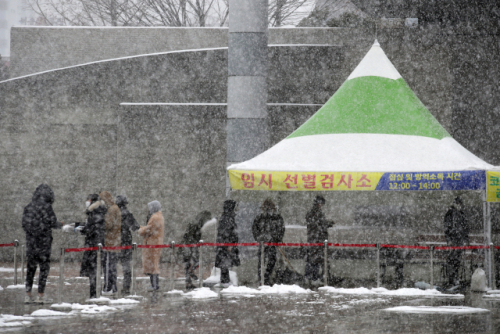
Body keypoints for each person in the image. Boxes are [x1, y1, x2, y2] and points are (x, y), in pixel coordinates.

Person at [22, 184, 63, 304]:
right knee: (44, 268)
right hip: (44, 243)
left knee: (31, 268)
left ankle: (27, 295)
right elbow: (52, 222)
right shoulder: (47, 207)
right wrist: (59, 224)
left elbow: (24, 224)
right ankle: (40, 295)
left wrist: (33, 233)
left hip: (31, 243)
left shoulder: (28, 207)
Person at [78, 194, 106, 299]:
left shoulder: (95, 213)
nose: (87, 201)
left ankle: (94, 294)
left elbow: (93, 228)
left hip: (94, 245)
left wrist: (82, 230)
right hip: (95, 244)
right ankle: (95, 292)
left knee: (94, 270)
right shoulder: (98, 212)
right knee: (95, 270)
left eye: (88, 200)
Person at [252, 199, 285, 286]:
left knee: (272, 260)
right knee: (261, 261)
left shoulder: (277, 217)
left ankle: (266, 277)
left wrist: (277, 239)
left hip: (272, 243)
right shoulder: (260, 218)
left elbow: (281, 229)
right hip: (263, 243)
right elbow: (255, 229)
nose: (268, 209)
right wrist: (260, 238)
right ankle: (261, 279)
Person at [305, 195, 334, 286]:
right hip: (316, 240)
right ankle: (314, 278)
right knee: (315, 260)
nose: (321, 205)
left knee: (314, 260)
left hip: (315, 239)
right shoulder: (315, 213)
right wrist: (328, 224)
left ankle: (312, 278)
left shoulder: (314, 213)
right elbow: (318, 225)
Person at [115, 195, 140, 295]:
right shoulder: (128, 214)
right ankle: (126, 287)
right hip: (126, 243)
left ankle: (110, 286)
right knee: (126, 267)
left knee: (112, 266)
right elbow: (135, 227)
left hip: (115, 242)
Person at [181, 211, 212, 290]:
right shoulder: (196, 224)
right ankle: (190, 275)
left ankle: (188, 282)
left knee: (188, 264)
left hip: (188, 245)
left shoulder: (197, 223)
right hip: (189, 246)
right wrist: (195, 245)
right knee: (196, 262)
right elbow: (190, 237)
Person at [138, 200, 165, 291]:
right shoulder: (159, 216)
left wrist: (140, 230)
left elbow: (149, 229)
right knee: (154, 264)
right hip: (155, 243)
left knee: (153, 265)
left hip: (152, 244)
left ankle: (154, 285)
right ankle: (154, 284)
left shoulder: (155, 217)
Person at [444, 196, 469, 287]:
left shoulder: (461, 214)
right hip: (454, 240)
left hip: (459, 240)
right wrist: (449, 240)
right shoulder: (450, 214)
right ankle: (452, 278)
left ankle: (455, 277)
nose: (460, 206)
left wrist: (465, 239)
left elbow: (466, 228)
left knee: (457, 260)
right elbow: (447, 228)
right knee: (452, 260)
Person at [99, 191, 121, 295]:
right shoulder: (115, 208)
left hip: (110, 242)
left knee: (108, 266)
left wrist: (100, 223)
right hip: (114, 241)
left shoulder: (111, 209)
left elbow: (108, 224)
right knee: (112, 266)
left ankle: (108, 287)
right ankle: (113, 287)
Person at [215, 200, 240, 287]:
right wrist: (229, 244)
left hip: (224, 245)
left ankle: (225, 281)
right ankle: (225, 282)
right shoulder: (228, 218)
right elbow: (227, 232)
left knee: (224, 264)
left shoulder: (226, 217)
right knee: (225, 264)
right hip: (226, 245)